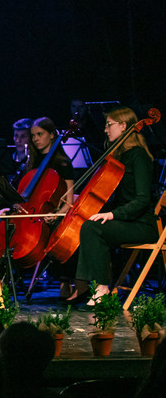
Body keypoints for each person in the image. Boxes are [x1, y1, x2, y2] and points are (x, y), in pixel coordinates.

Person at [63, 106, 157, 305]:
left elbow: (142, 200)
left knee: (93, 228)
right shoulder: (118, 156)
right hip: (125, 221)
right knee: (87, 224)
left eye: (109, 125)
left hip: (142, 224)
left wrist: (112, 215)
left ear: (123, 126)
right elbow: (115, 196)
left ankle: (102, 286)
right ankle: (85, 284)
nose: (105, 130)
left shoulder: (138, 155)